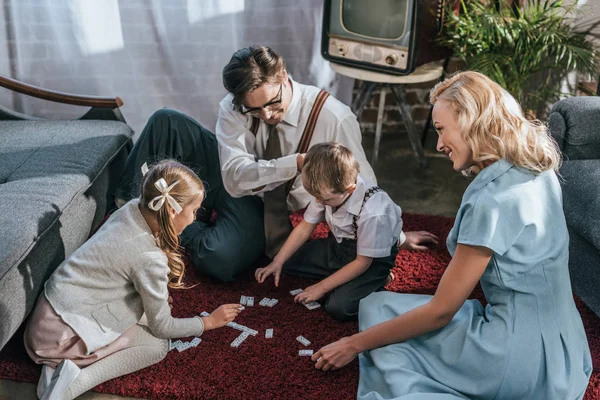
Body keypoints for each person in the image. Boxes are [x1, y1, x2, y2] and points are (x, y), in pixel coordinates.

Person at [311, 72, 593, 399]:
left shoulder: (491, 203)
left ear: (473, 121)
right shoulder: (536, 166)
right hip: (563, 348)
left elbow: (440, 311)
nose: (438, 144)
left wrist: (352, 345)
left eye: (442, 130)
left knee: (391, 348)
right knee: (380, 306)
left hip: (513, 358)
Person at [113, 45, 377, 282]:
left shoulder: (333, 117)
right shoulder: (235, 105)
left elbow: (365, 186)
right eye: (254, 110)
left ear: (283, 75)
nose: (267, 115)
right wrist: (293, 163)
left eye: (273, 103)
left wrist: (391, 236)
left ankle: (174, 223)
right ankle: (127, 210)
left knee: (220, 259)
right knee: (166, 120)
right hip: (231, 177)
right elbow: (235, 177)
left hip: (260, 205)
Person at [25, 160, 242, 400]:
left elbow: (118, 276)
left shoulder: (130, 210)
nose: (193, 219)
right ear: (172, 211)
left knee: (143, 315)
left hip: (44, 320)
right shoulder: (149, 258)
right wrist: (208, 322)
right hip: (62, 335)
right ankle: (72, 384)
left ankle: (56, 367)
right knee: (155, 346)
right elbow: (163, 327)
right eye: (193, 211)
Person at [255, 142, 438, 321]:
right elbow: (305, 227)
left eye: (325, 199)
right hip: (337, 248)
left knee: (338, 307)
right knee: (287, 261)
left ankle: (378, 280)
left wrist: (322, 287)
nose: (318, 201)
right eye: (315, 196)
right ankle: (343, 277)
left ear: (349, 189)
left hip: (369, 263)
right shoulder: (325, 191)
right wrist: (278, 261)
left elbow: (362, 263)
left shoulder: (374, 213)